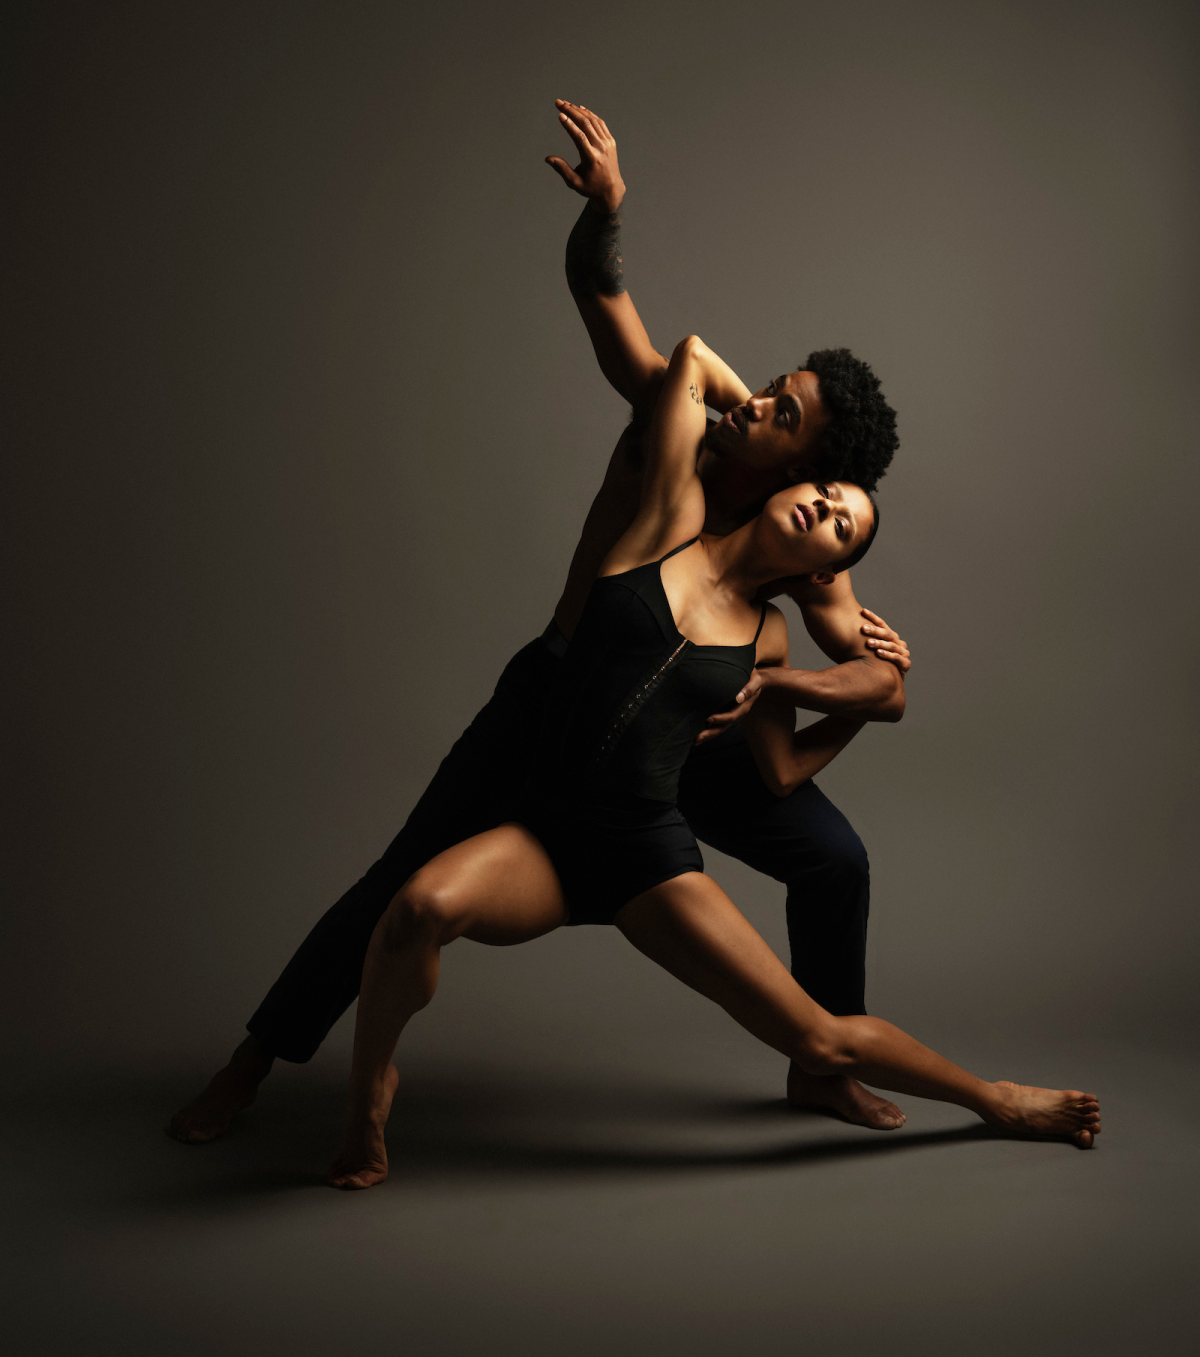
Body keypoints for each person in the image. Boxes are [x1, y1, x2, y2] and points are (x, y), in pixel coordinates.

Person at [169, 104, 910, 1145]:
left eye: (786, 413)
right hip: (563, 699)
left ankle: (821, 1066)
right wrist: (605, 215)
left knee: (836, 861)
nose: (761, 402)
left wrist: (790, 688)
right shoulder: (678, 430)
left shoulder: (803, 537)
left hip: (684, 737)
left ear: (813, 474)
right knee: (399, 884)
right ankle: (250, 1066)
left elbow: (885, 687)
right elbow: (602, 295)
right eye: (775, 390)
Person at [327, 332, 1099, 1189]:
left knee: (821, 1036)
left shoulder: (771, 642)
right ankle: (368, 1100)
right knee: (414, 908)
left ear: (827, 571)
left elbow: (789, 770)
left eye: (842, 527)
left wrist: (795, 696)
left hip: (645, 855)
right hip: (545, 834)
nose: (825, 511)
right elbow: (689, 359)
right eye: (828, 492)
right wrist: (771, 412)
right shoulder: (670, 517)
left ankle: (995, 1100)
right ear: (793, 481)